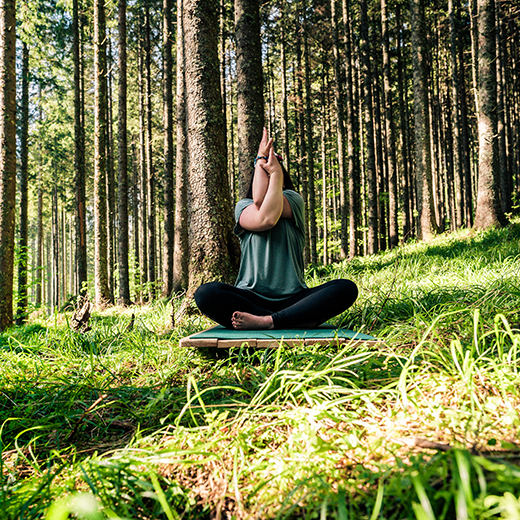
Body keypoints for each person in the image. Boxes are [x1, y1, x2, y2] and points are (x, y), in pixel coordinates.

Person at [195, 128, 358, 330]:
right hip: (250, 300)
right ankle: (290, 320)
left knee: (345, 289)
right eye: (263, 173)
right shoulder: (242, 208)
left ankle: (268, 321)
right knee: (206, 293)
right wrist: (261, 160)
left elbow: (269, 209)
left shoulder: (293, 200)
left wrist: (273, 171)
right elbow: (263, 212)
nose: (268, 175)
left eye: (271, 173)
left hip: (294, 299)